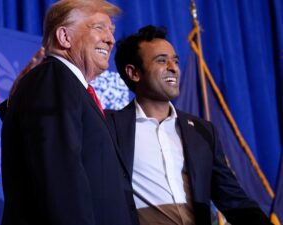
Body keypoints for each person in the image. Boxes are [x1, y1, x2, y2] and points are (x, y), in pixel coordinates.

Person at [107, 25, 272, 225]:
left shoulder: (203, 131)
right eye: (161, 60)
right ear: (133, 73)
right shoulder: (109, 128)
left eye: (175, 61)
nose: (173, 67)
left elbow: (234, 200)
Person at [0, 1, 138, 225]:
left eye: (111, 30)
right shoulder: (54, 79)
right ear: (64, 37)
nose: (111, 39)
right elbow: (60, 179)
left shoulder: (71, 87)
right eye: (99, 28)